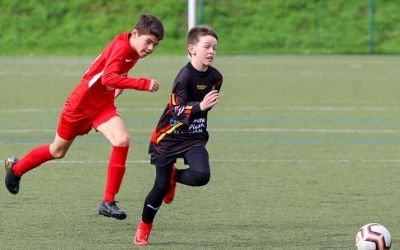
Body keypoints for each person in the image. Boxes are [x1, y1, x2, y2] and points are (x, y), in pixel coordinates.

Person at [4, 14, 164, 220]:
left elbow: (110, 73)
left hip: (102, 106)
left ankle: (108, 202)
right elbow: (108, 76)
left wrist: (119, 83)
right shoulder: (123, 47)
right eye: (148, 42)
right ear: (135, 34)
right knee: (57, 151)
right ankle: (16, 169)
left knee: (122, 139)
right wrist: (142, 83)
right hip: (79, 106)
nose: (150, 48)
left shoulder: (131, 49)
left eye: (155, 45)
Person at [133, 25, 223, 246]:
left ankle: (175, 176)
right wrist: (200, 106)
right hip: (169, 137)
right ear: (192, 48)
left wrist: (201, 109)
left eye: (214, 48)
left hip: (194, 136)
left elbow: (205, 107)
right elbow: (176, 110)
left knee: (202, 176)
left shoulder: (216, 77)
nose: (211, 51)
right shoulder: (184, 76)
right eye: (206, 47)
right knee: (160, 187)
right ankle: (143, 228)